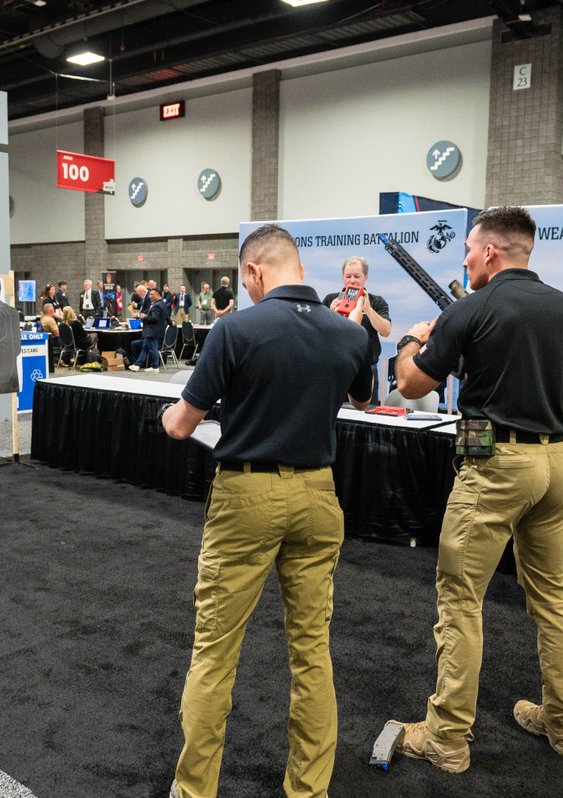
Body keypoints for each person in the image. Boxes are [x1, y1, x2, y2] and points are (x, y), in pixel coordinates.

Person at [160, 223, 372, 798]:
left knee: (215, 651)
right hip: (319, 497)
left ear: (255, 271)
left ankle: (194, 791)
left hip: (246, 498)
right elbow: (363, 398)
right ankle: (308, 790)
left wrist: (165, 414)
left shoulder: (234, 330)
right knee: (311, 650)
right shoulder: (348, 334)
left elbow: (181, 425)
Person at [391, 206, 563, 773]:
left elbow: (409, 384)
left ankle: (447, 737)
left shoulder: (470, 309)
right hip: (557, 460)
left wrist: (411, 339)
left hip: (497, 466)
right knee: (553, 596)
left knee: (459, 599)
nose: (466, 259)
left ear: (491, 252)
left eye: (469, 250)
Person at [323, 256, 391, 404]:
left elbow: (386, 331)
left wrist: (368, 308)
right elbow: (319, 333)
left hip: (367, 369)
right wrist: (330, 312)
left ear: (365, 277)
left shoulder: (376, 301)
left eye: (357, 276)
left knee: (367, 415)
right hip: (336, 367)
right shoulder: (331, 300)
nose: (352, 280)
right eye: (348, 276)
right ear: (342, 277)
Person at [127, 289, 167, 372]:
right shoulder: (162, 303)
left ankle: (155, 367)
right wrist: (171, 323)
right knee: (146, 347)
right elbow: (165, 317)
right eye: (150, 294)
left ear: (158, 295)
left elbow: (154, 319)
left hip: (152, 330)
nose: (150, 296)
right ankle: (137, 365)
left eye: (152, 294)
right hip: (155, 330)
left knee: (153, 349)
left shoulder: (157, 305)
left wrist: (143, 316)